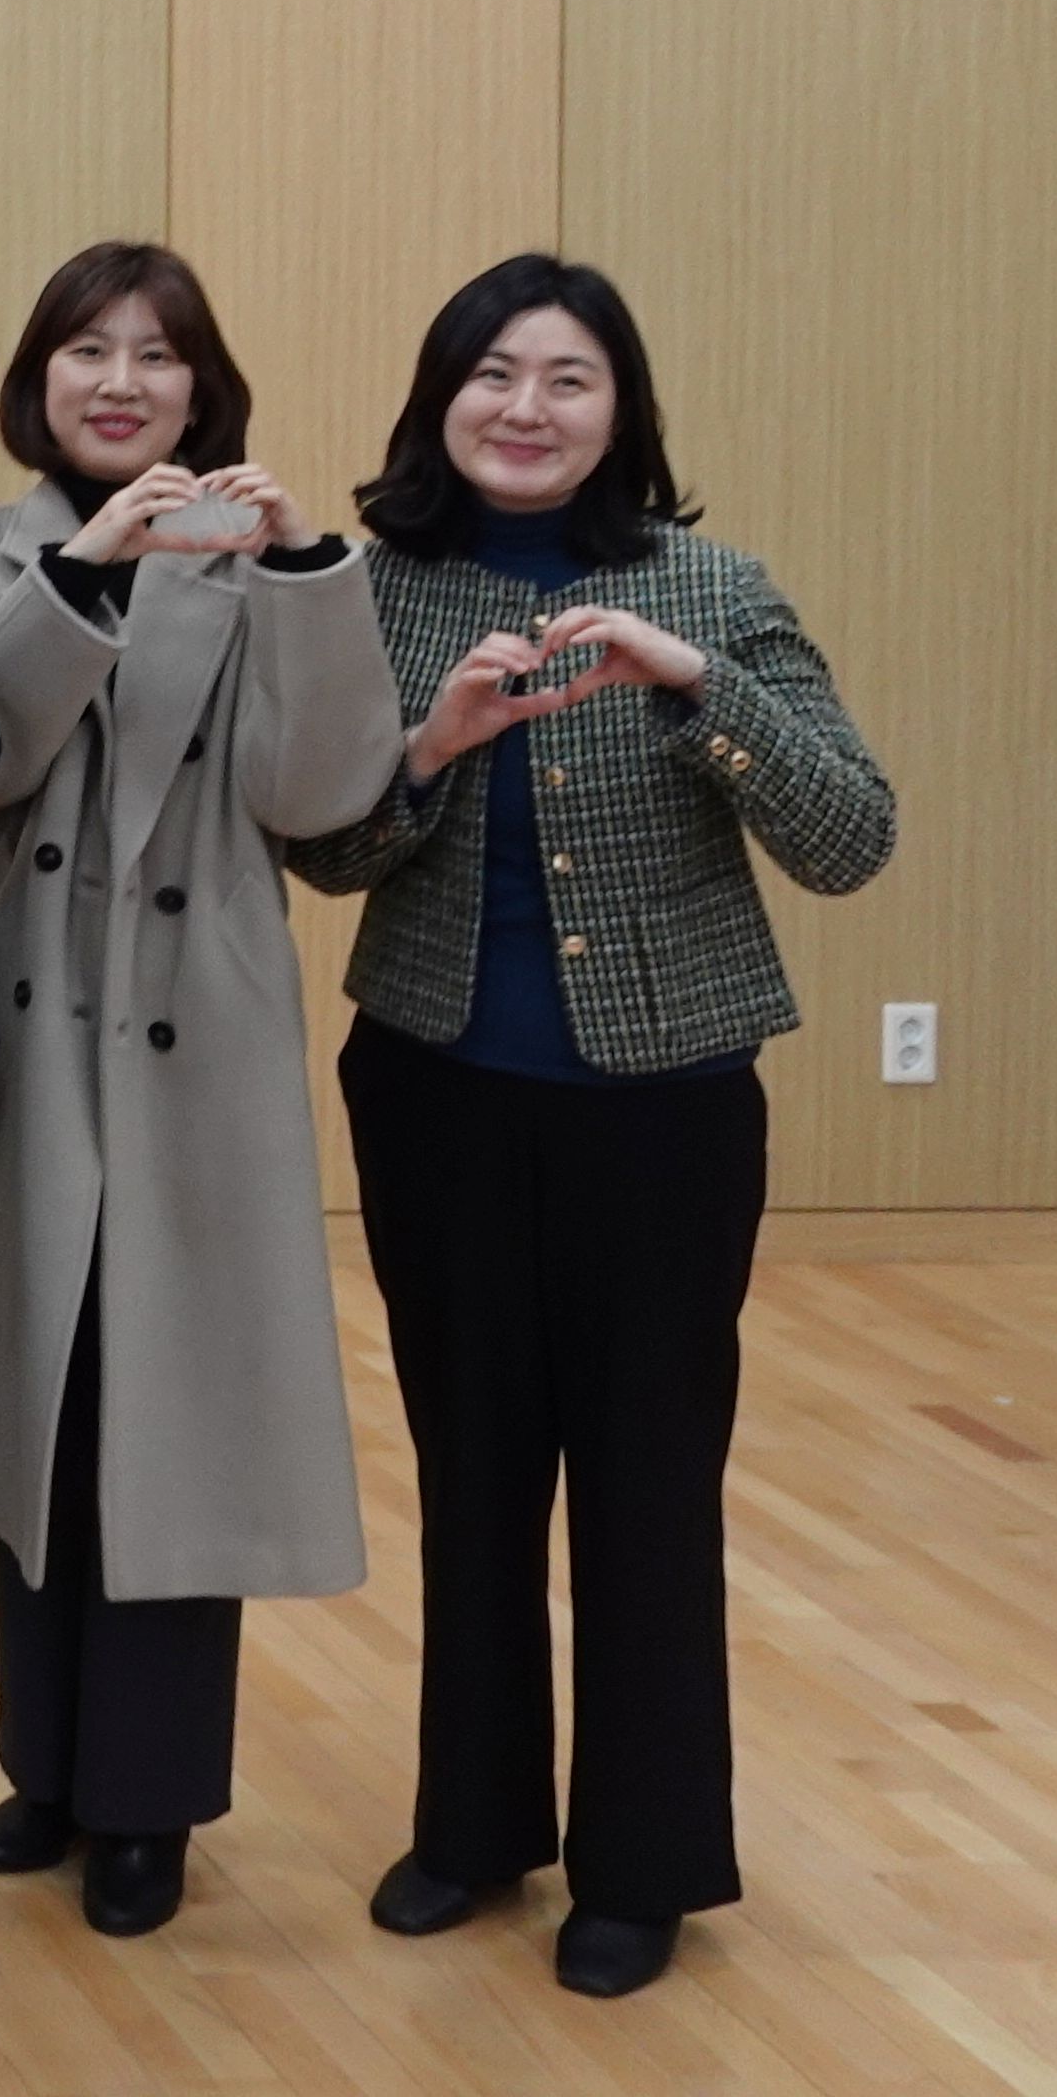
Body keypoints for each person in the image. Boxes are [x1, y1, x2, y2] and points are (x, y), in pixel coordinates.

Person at [292, 254, 894, 2003]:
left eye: (568, 379)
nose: (526, 409)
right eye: (493, 374)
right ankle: (474, 1827)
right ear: (441, 400)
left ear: (621, 411)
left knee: (647, 1484)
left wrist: (693, 686)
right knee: (471, 1469)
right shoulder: (373, 593)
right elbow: (323, 851)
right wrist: (429, 748)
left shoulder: (714, 587)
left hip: (666, 1113)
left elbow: (852, 836)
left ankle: (642, 1863)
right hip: (435, 1092)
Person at [0, 244, 399, 1939]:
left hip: (201, 1030)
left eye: (157, 355)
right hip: (27, 1023)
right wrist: (91, 572)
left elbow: (320, 798)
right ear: (37, 377)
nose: (121, 382)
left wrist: (311, 574)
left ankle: (153, 1799)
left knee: (176, 1413)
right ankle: (44, 1766)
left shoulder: (269, 567)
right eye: (88, 350)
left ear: (205, 390)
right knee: (43, 1400)